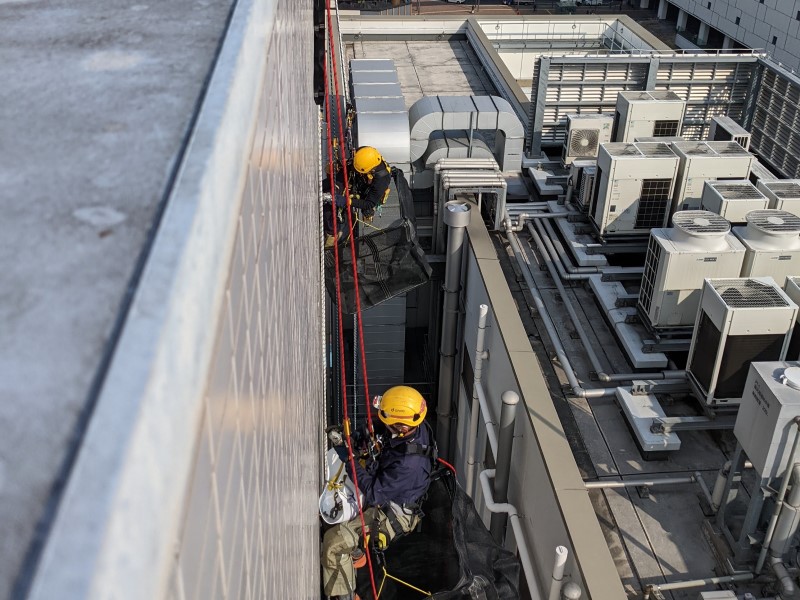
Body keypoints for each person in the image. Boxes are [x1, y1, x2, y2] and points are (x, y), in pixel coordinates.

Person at [321, 386, 434, 600]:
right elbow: (378, 430)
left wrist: (351, 460)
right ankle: (356, 555)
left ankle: (344, 596)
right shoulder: (411, 424)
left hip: (393, 512)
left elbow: (374, 494)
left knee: (334, 543)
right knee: (334, 511)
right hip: (384, 487)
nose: (382, 421)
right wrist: (355, 440)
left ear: (402, 426)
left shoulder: (410, 465)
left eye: (387, 419)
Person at [347, 146, 392, 220]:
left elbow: (369, 203)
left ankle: (368, 214)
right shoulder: (366, 152)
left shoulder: (381, 181)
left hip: (370, 189)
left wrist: (348, 201)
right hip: (365, 176)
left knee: (366, 206)